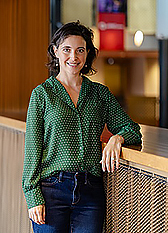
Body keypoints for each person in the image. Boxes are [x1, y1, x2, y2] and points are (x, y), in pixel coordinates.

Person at [22, 21, 142, 233]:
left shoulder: (99, 94)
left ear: (88, 54)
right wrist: (32, 196)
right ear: (55, 51)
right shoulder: (42, 95)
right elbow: (32, 151)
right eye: (67, 50)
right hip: (51, 190)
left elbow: (132, 129)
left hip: (90, 191)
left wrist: (117, 138)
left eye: (80, 50)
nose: (73, 57)